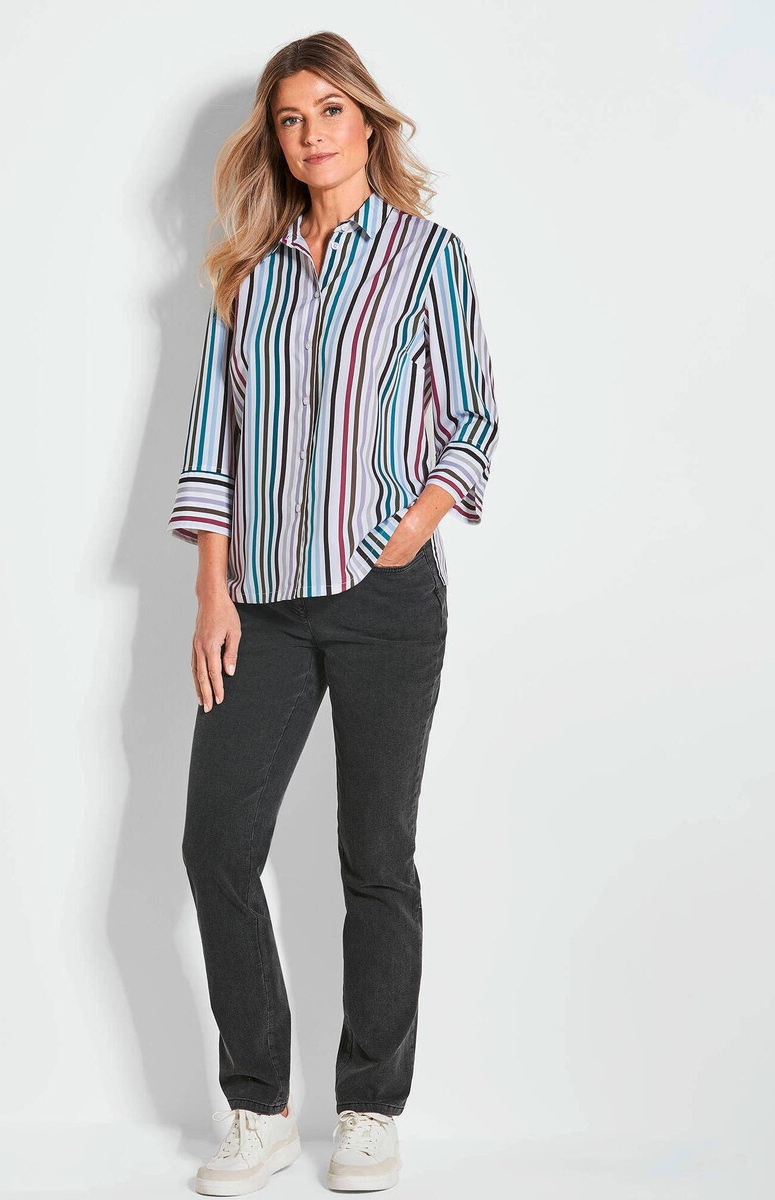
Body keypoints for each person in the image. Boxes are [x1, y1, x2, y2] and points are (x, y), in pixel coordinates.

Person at [167, 31, 500, 1196]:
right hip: (260, 605)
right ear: (276, 136)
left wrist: (410, 528)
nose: (311, 135)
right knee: (217, 844)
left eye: (330, 111)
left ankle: (369, 1108)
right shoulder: (247, 275)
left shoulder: (426, 255)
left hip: (385, 601)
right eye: (291, 117)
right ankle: (258, 1109)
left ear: (367, 120)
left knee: (376, 857)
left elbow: (473, 417)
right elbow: (213, 439)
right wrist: (212, 590)